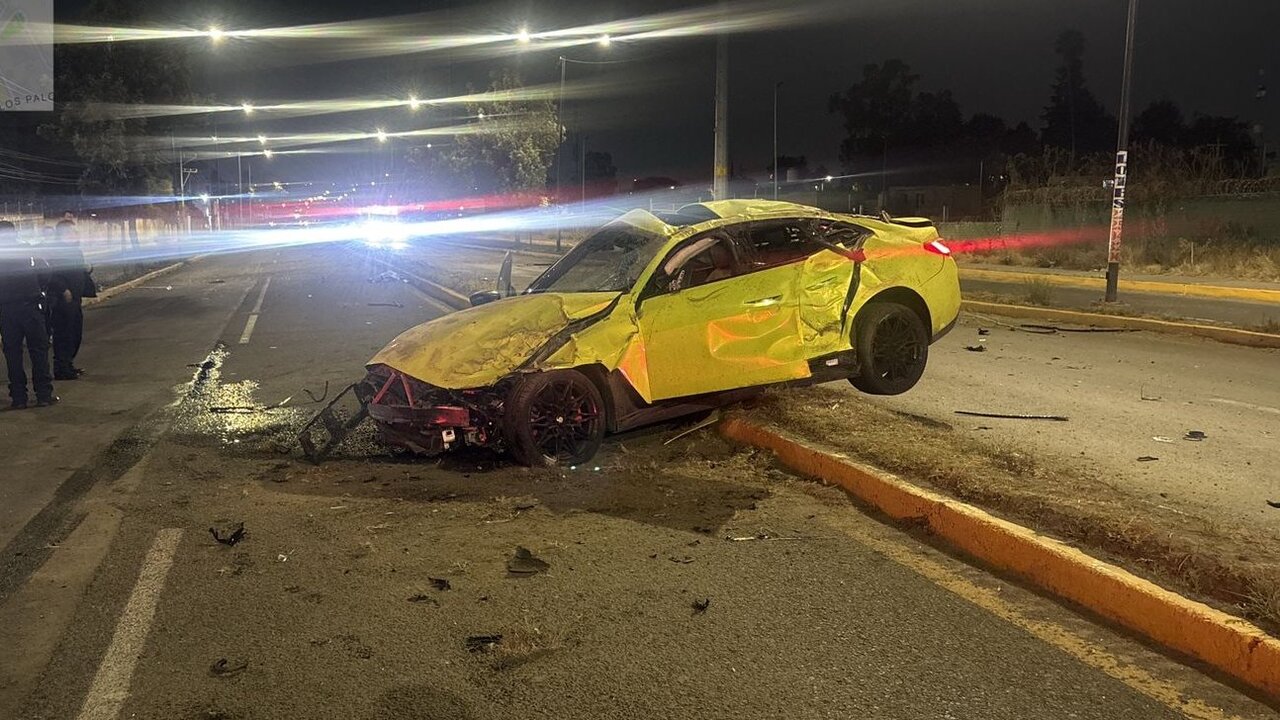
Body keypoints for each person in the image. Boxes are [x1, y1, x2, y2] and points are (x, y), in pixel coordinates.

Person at [0, 221, 57, 409]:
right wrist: (39, 291)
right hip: (31, 307)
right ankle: (43, 395)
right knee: (38, 350)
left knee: (13, 354)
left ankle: (18, 399)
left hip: (7, 310)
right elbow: (46, 273)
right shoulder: (28, 251)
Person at [47, 219, 87, 380]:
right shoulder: (56, 251)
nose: (76, 234)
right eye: (73, 231)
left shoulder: (75, 250)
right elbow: (51, 274)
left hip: (75, 299)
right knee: (64, 334)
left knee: (75, 334)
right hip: (62, 301)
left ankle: (68, 363)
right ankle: (61, 368)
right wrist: (63, 289)